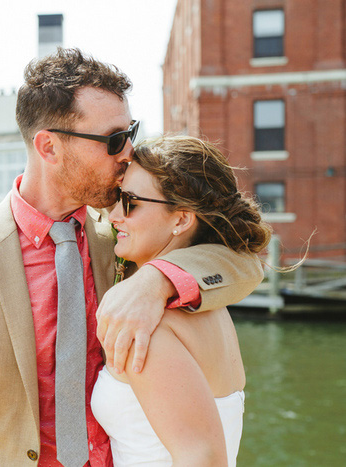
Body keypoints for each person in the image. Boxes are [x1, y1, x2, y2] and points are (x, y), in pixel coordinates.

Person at [0, 48, 263, 465]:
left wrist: (154, 280)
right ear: (49, 147)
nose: (128, 152)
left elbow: (244, 261)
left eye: (131, 133)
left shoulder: (128, 238)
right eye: (113, 139)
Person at [91, 135, 272, 466]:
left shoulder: (144, 325)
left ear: (180, 220)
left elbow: (202, 457)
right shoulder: (209, 308)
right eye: (118, 197)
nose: (115, 214)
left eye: (130, 202)